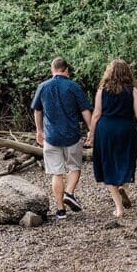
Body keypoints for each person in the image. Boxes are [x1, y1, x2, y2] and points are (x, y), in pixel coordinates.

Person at [86, 59, 137, 218]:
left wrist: (91, 133)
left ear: (109, 73)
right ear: (127, 73)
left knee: (108, 165)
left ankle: (119, 209)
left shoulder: (102, 90)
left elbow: (96, 114)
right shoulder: (132, 90)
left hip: (106, 130)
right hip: (126, 129)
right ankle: (123, 185)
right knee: (126, 160)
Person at [31, 57, 92, 219]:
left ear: (52, 70)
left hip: (51, 137)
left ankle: (60, 210)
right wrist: (91, 129)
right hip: (72, 134)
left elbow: (37, 110)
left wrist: (39, 131)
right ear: (66, 70)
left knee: (56, 173)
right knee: (74, 167)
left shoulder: (42, 87)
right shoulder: (73, 86)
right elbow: (85, 110)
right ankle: (69, 193)